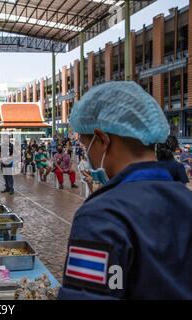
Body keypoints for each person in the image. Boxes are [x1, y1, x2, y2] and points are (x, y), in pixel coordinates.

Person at [58, 81, 192, 299]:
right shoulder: (186, 201)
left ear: (102, 139)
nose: (88, 156)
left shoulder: (103, 215)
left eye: (85, 145)